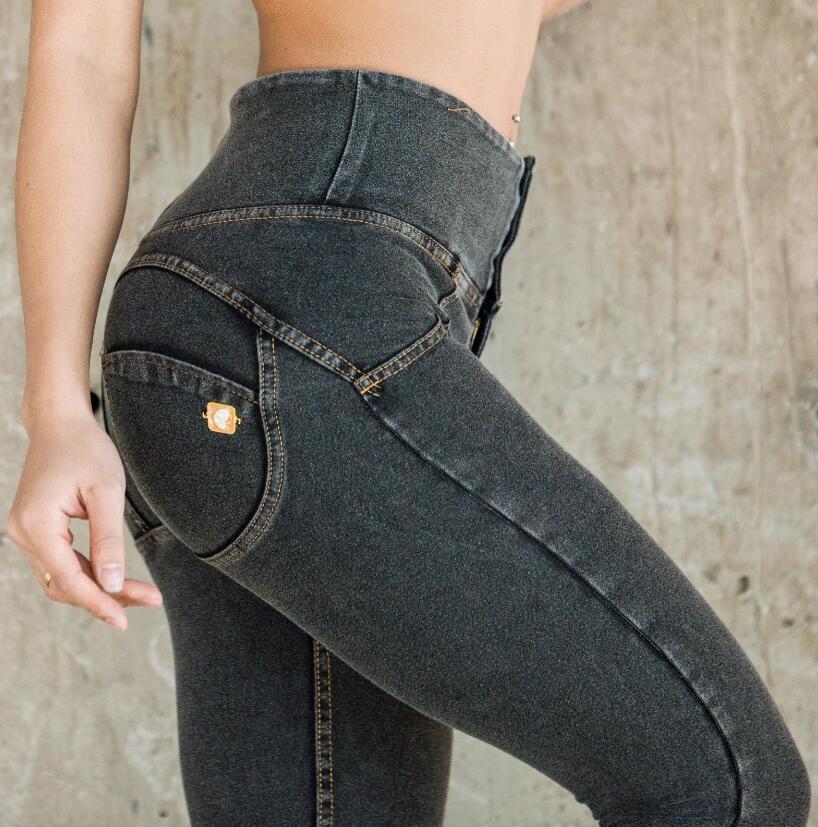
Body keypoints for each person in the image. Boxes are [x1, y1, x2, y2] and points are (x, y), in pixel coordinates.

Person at [6, 2, 811, 825]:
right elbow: (82, 54)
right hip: (300, 308)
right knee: (726, 789)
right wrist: (55, 406)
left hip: (278, 324)